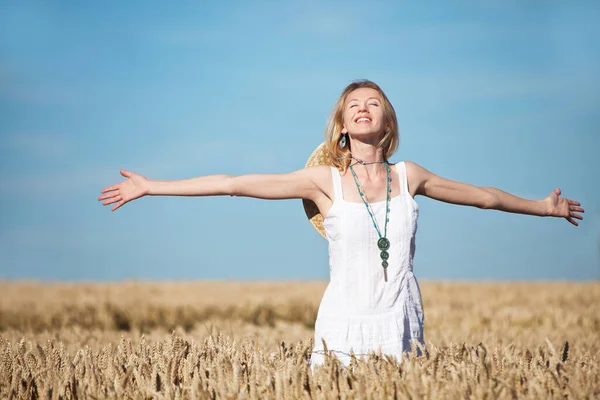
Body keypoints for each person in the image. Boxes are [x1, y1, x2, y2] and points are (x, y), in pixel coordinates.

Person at [98, 80, 584, 367]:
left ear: (387, 122)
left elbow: (483, 197)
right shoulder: (323, 181)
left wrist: (543, 207)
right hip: (343, 320)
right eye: (354, 105)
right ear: (342, 127)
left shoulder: (408, 175)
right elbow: (234, 183)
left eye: (373, 102)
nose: (363, 107)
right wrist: (152, 186)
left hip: (399, 314)